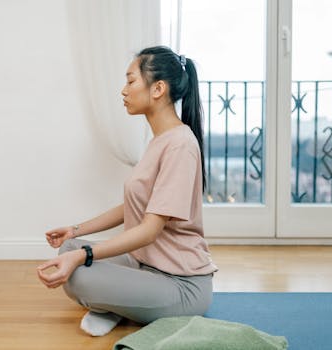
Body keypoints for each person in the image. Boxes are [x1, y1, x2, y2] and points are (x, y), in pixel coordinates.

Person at [36, 46, 218, 337]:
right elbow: (132, 206)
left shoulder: (180, 145)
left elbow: (149, 230)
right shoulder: (159, 140)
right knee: (68, 250)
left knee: (78, 274)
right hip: (146, 265)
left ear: (158, 88)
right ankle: (121, 303)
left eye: (131, 81)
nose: (123, 90)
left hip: (181, 285)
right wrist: (75, 230)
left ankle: (116, 304)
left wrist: (84, 256)